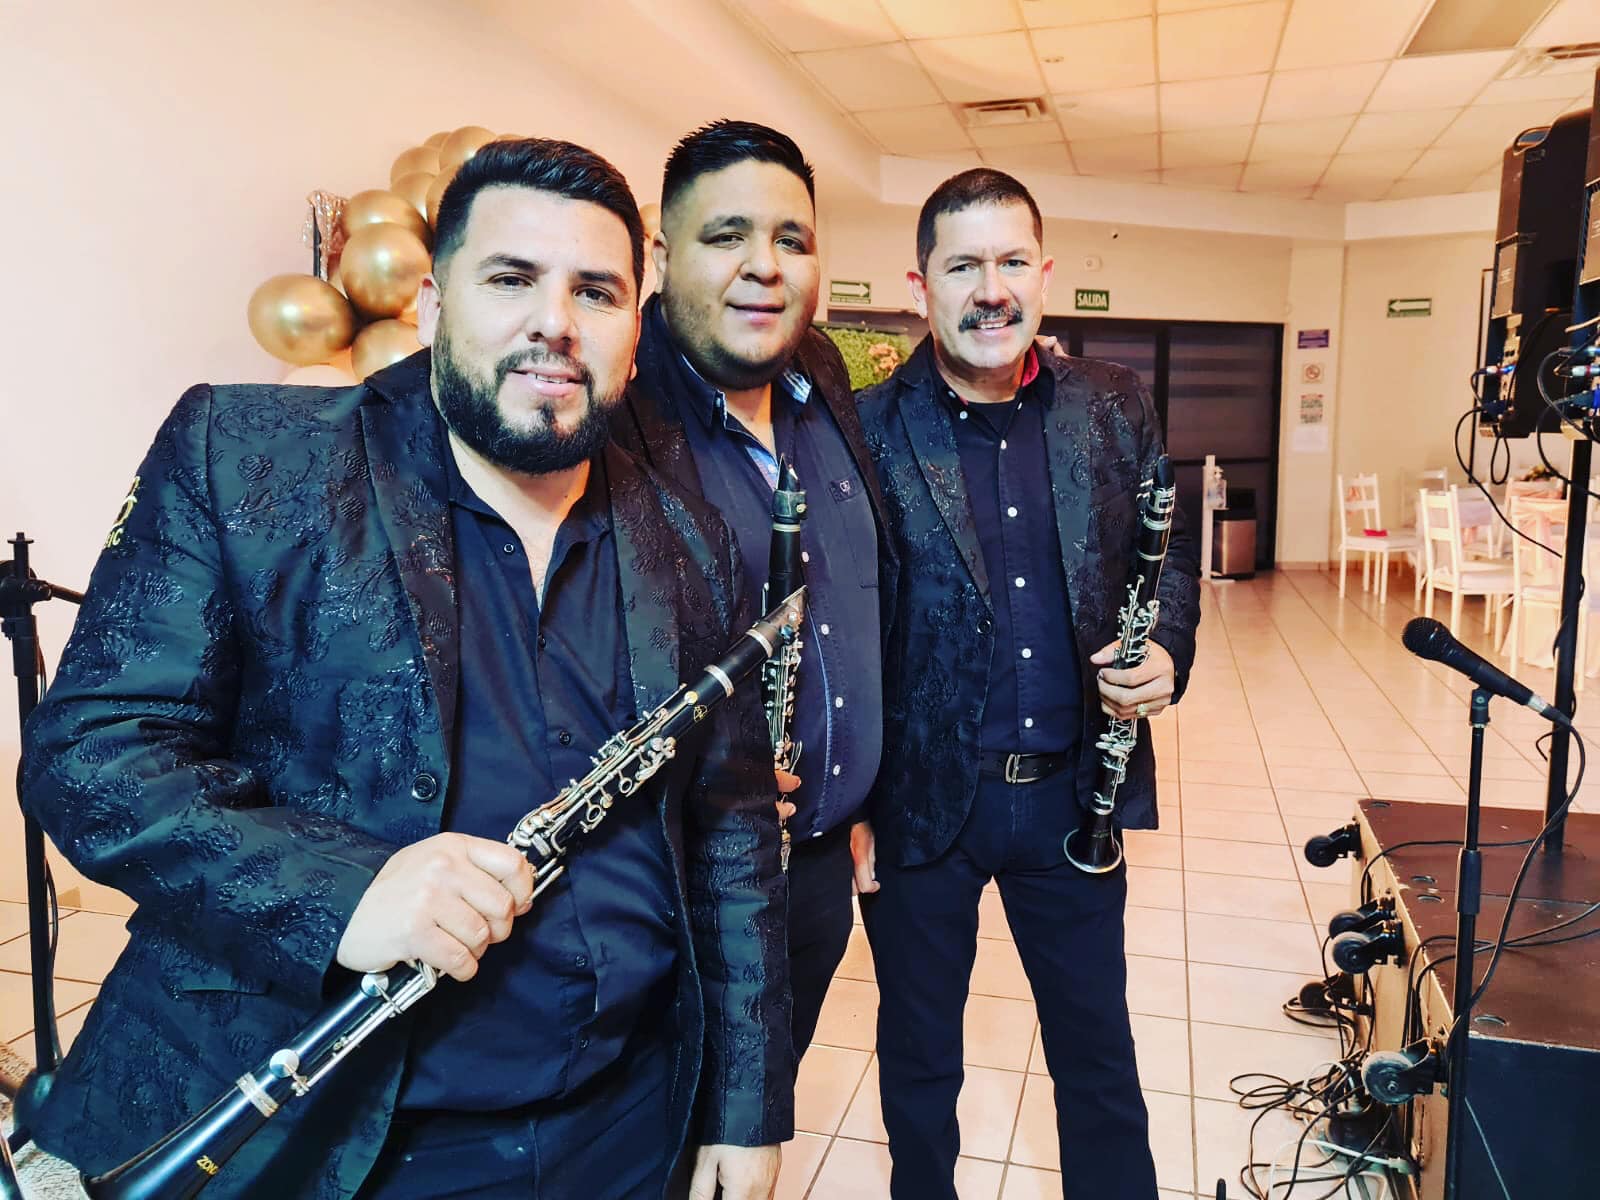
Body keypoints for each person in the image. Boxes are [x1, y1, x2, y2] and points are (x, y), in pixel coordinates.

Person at [19, 138, 787, 1200]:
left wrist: (747, 1108)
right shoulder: (249, 454)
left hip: (619, 1127)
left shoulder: (693, 529)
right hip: (325, 1141)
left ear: (632, 327)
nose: (555, 322)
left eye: (596, 291)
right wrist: (345, 890)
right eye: (510, 278)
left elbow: (732, 825)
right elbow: (91, 755)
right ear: (431, 303)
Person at [855, 168, 1201, 1200]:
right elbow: (840, 617)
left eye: (1011, 262)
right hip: (920, 803)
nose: (991, 289)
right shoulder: (865, 426)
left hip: (1072, 797)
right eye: (964, 266)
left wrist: (1166, 647)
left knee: (1097, 1057)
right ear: (920, 285)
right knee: (920, 1064)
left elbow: (1165, 556)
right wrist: (845, 800)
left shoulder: (1113, 403)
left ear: (1044, 276)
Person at [613, 120, 892, 1065]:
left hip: (815, 874)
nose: (765, 266)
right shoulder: (613, 406)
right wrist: (701, 783)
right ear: (661, 256)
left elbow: (860, 606)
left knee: (761, 1117)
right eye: (727, 235)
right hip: (676, 886)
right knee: (669, 1127)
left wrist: (858, 798)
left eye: (791, 239)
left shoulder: (822, 374)